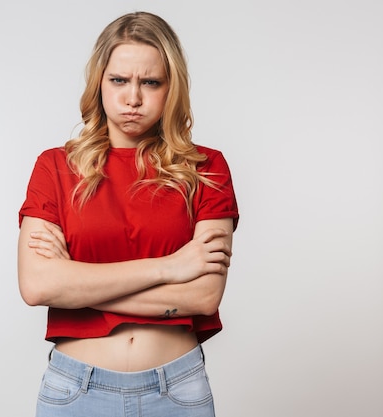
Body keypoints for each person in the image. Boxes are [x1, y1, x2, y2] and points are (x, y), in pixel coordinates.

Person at [17, 11, 239, 417]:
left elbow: (203, 296)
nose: (132, 98)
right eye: (119, 80)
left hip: (178, 391)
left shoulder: (207, 168)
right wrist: (171, 267)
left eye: (150, 82)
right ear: (99, 82)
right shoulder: (54, 167)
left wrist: (79, 284)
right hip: (76, 390)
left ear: (171, 88)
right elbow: (37, 285)